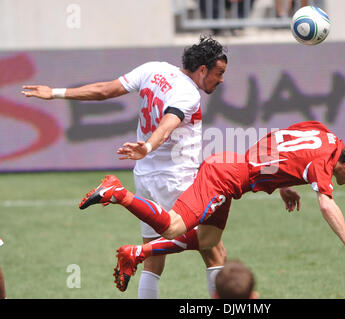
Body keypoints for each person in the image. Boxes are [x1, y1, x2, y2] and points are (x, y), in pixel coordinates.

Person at [21, 35, 229, 298]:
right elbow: (168, 123)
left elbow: (104, 91)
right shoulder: (188, 93)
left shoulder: (154, 69)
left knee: (154, 256)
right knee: (213, 249)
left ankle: (135, 251)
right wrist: (150, 145)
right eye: (218, 73)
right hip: (178, 179)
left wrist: (55, 93)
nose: (221, 80)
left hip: (145, 177)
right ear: (202, 69)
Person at [79, 121, 345, 292]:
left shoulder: (323, 134)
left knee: (207, 241)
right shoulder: (323, 164)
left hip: (231, 169)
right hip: (224, 177)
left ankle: (138, 252)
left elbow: (278, 140)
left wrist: (282, 183)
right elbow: (327, 205)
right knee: (172, 225)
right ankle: (117, 193)